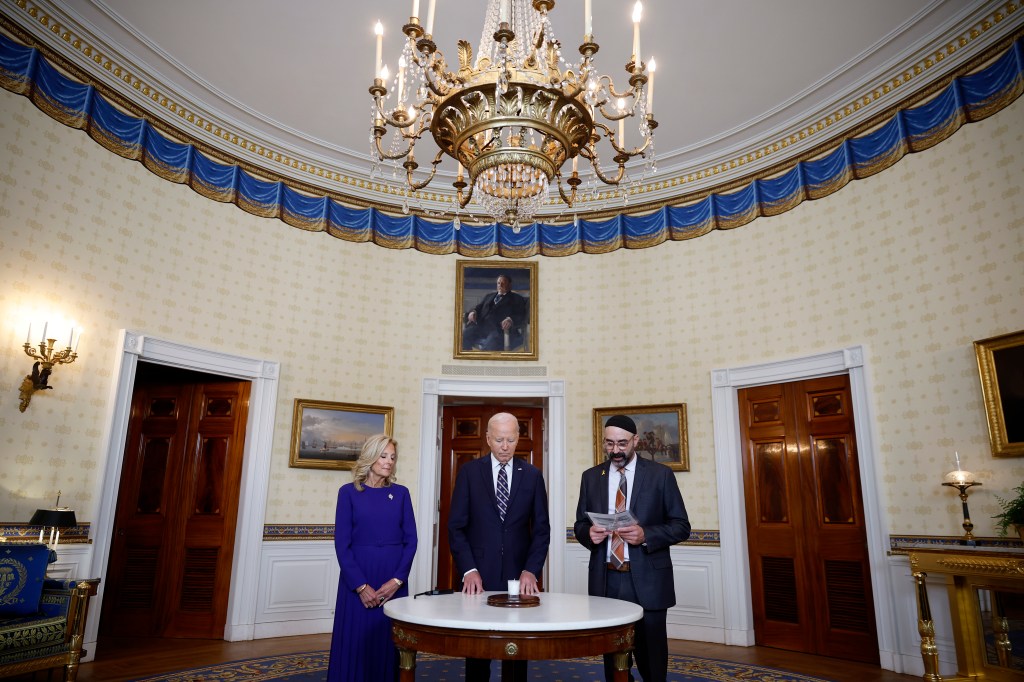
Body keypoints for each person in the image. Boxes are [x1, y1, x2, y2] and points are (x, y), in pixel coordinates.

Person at [573, 415, 690, 682]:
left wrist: (645, 534)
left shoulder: (661, 475)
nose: (615, 450)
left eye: (622, 443)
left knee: (652, 660)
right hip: (606, 580)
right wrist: (588, 533)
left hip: (648, 582)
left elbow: (681, 526)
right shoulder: (591, 477)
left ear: (635, 440)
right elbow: (580, 523)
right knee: (613, 658)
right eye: (609, 443)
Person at [448, 412, 551, 681]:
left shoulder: (532, 476)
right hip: (478, 576)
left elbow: (541, 530)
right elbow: (456, 527)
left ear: (518, 439)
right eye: (499, 440)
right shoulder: (469, 472)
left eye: (510, 439)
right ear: (488, 440)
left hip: (519, 578)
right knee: (478, 652)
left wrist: (531, 570)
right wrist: (468, 570)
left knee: (516, 652)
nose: (505, 446)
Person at [327, 435, 417, 682]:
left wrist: (397, 580)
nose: (389, 462)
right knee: (354, 642)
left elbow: (412, 541)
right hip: (358, 579)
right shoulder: (348, 493)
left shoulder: (401, 494)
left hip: (393, 579)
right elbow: (342, 545)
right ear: (370, 456)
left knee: (389, 642)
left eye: (392, 457)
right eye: (383, 455)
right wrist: (361, 586)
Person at [462, 273, 528, 351]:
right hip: (482, 327)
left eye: (503, 283)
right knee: (463, 337)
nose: (500, 285)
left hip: (500, 330)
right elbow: (479, 307)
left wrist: (510, 319)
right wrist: (473, 311)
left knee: (490, 346)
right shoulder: (489, 296)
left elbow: (520, 314)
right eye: (499, 283)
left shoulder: (516, 298)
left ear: (510, 285)